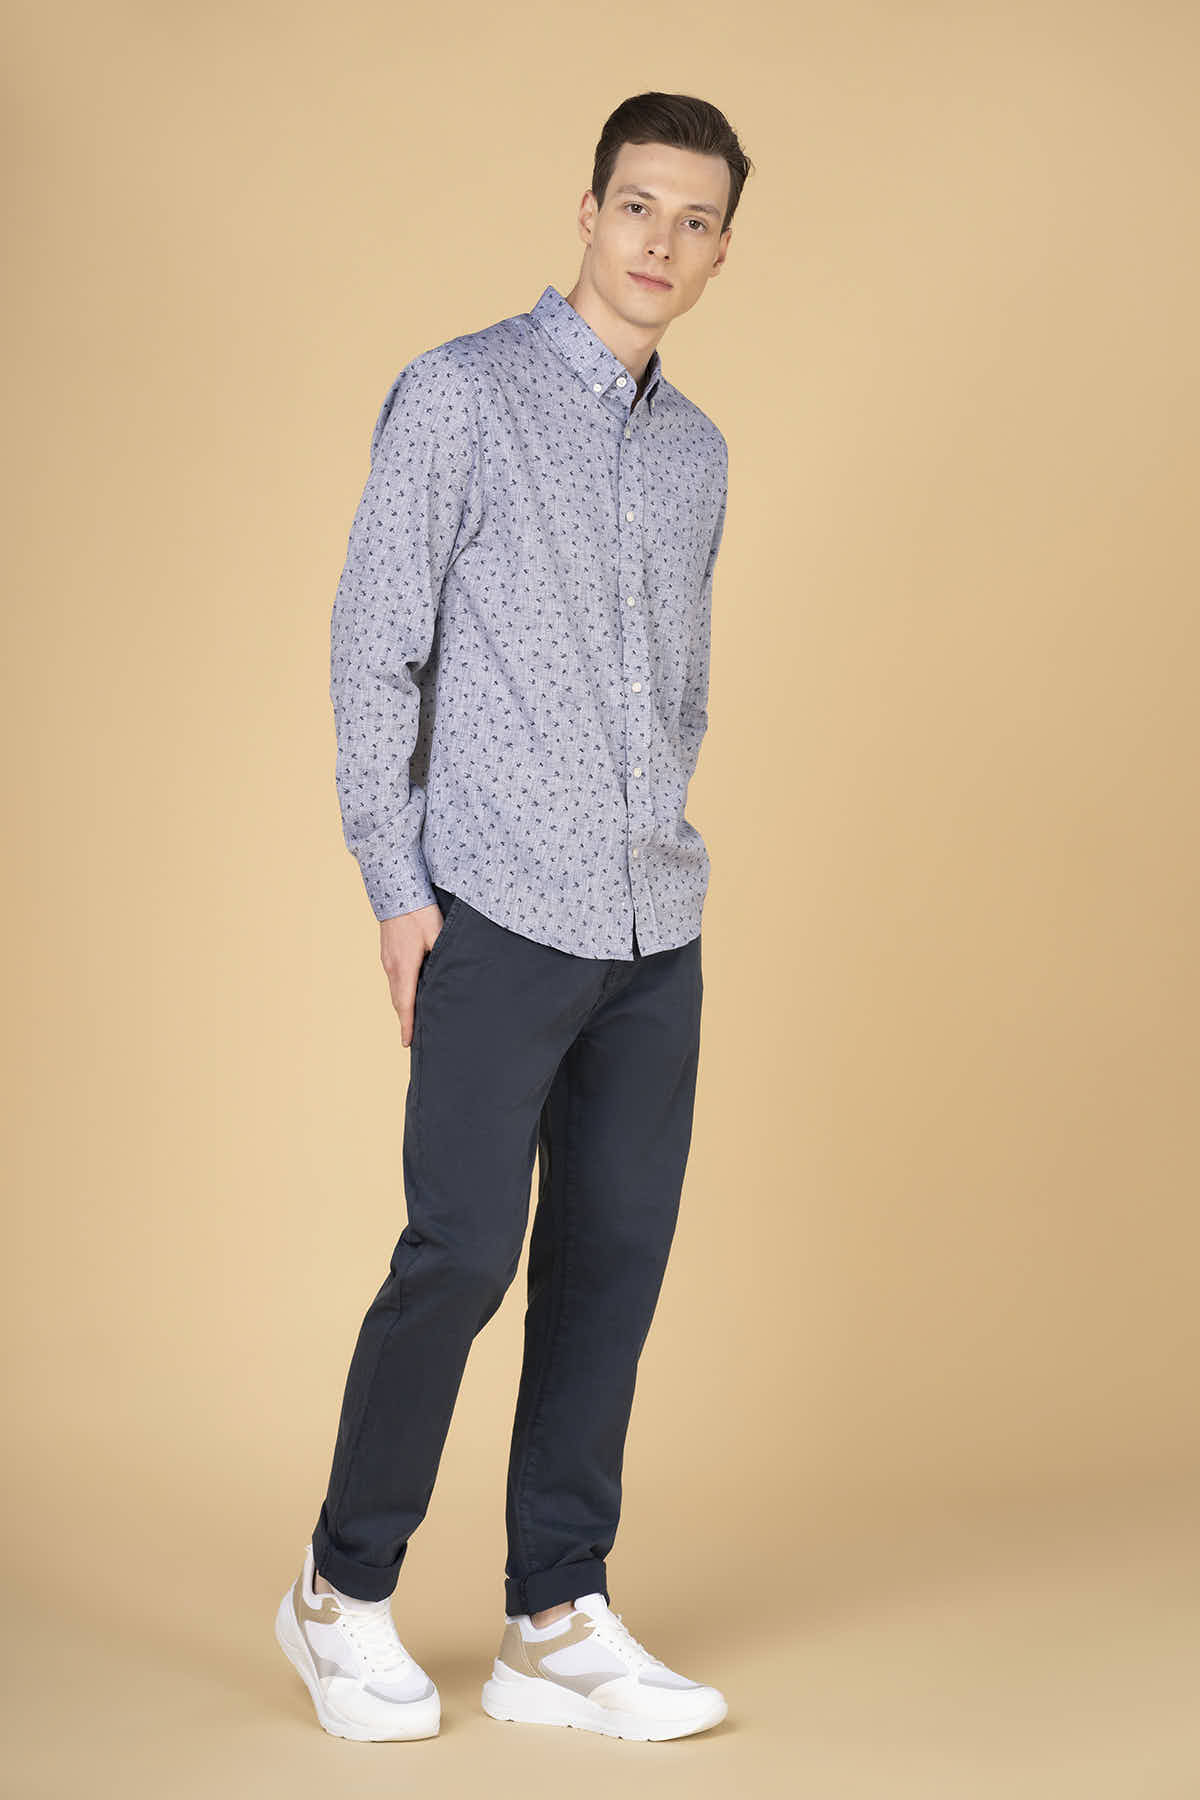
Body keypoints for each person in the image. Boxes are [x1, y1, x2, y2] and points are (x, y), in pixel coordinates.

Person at [275, 90, 752, 1745]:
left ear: (723, 250)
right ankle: (338, 1590)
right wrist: (397, 886)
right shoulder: (459, 396)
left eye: (697, 221)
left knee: (611, 1263)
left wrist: (657, 830)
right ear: (589, 209)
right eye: (639, 206)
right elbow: (373, 648)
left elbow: (677, 684)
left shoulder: (697, 454)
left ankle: (556, 1613)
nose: (661, 243)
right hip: (496, 908)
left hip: (653, 926)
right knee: (464, 1251)